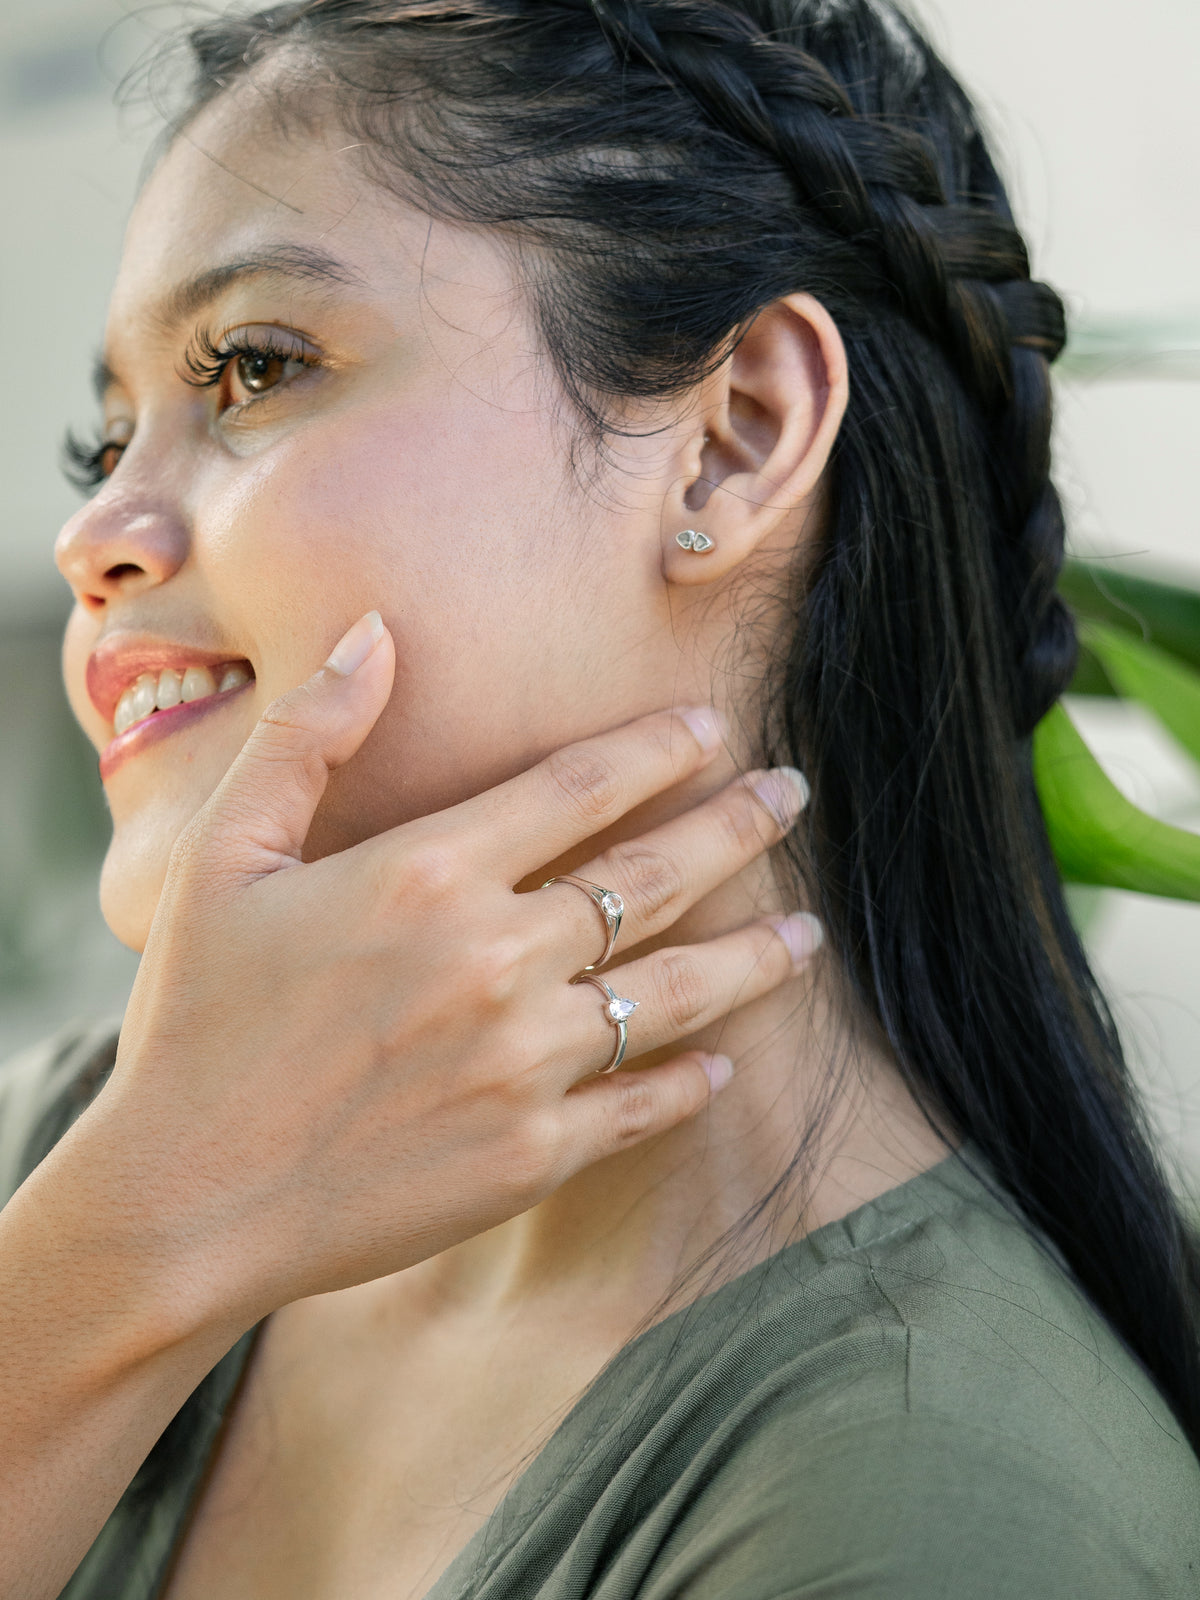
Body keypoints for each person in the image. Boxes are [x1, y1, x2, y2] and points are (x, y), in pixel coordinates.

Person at [2, 1, 1198, 1595]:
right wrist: (136, 1235)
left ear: (730, 444)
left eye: (250, 367)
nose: (100, 535)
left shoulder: (925, 1504)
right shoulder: (62, 1155)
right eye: (105, 441)